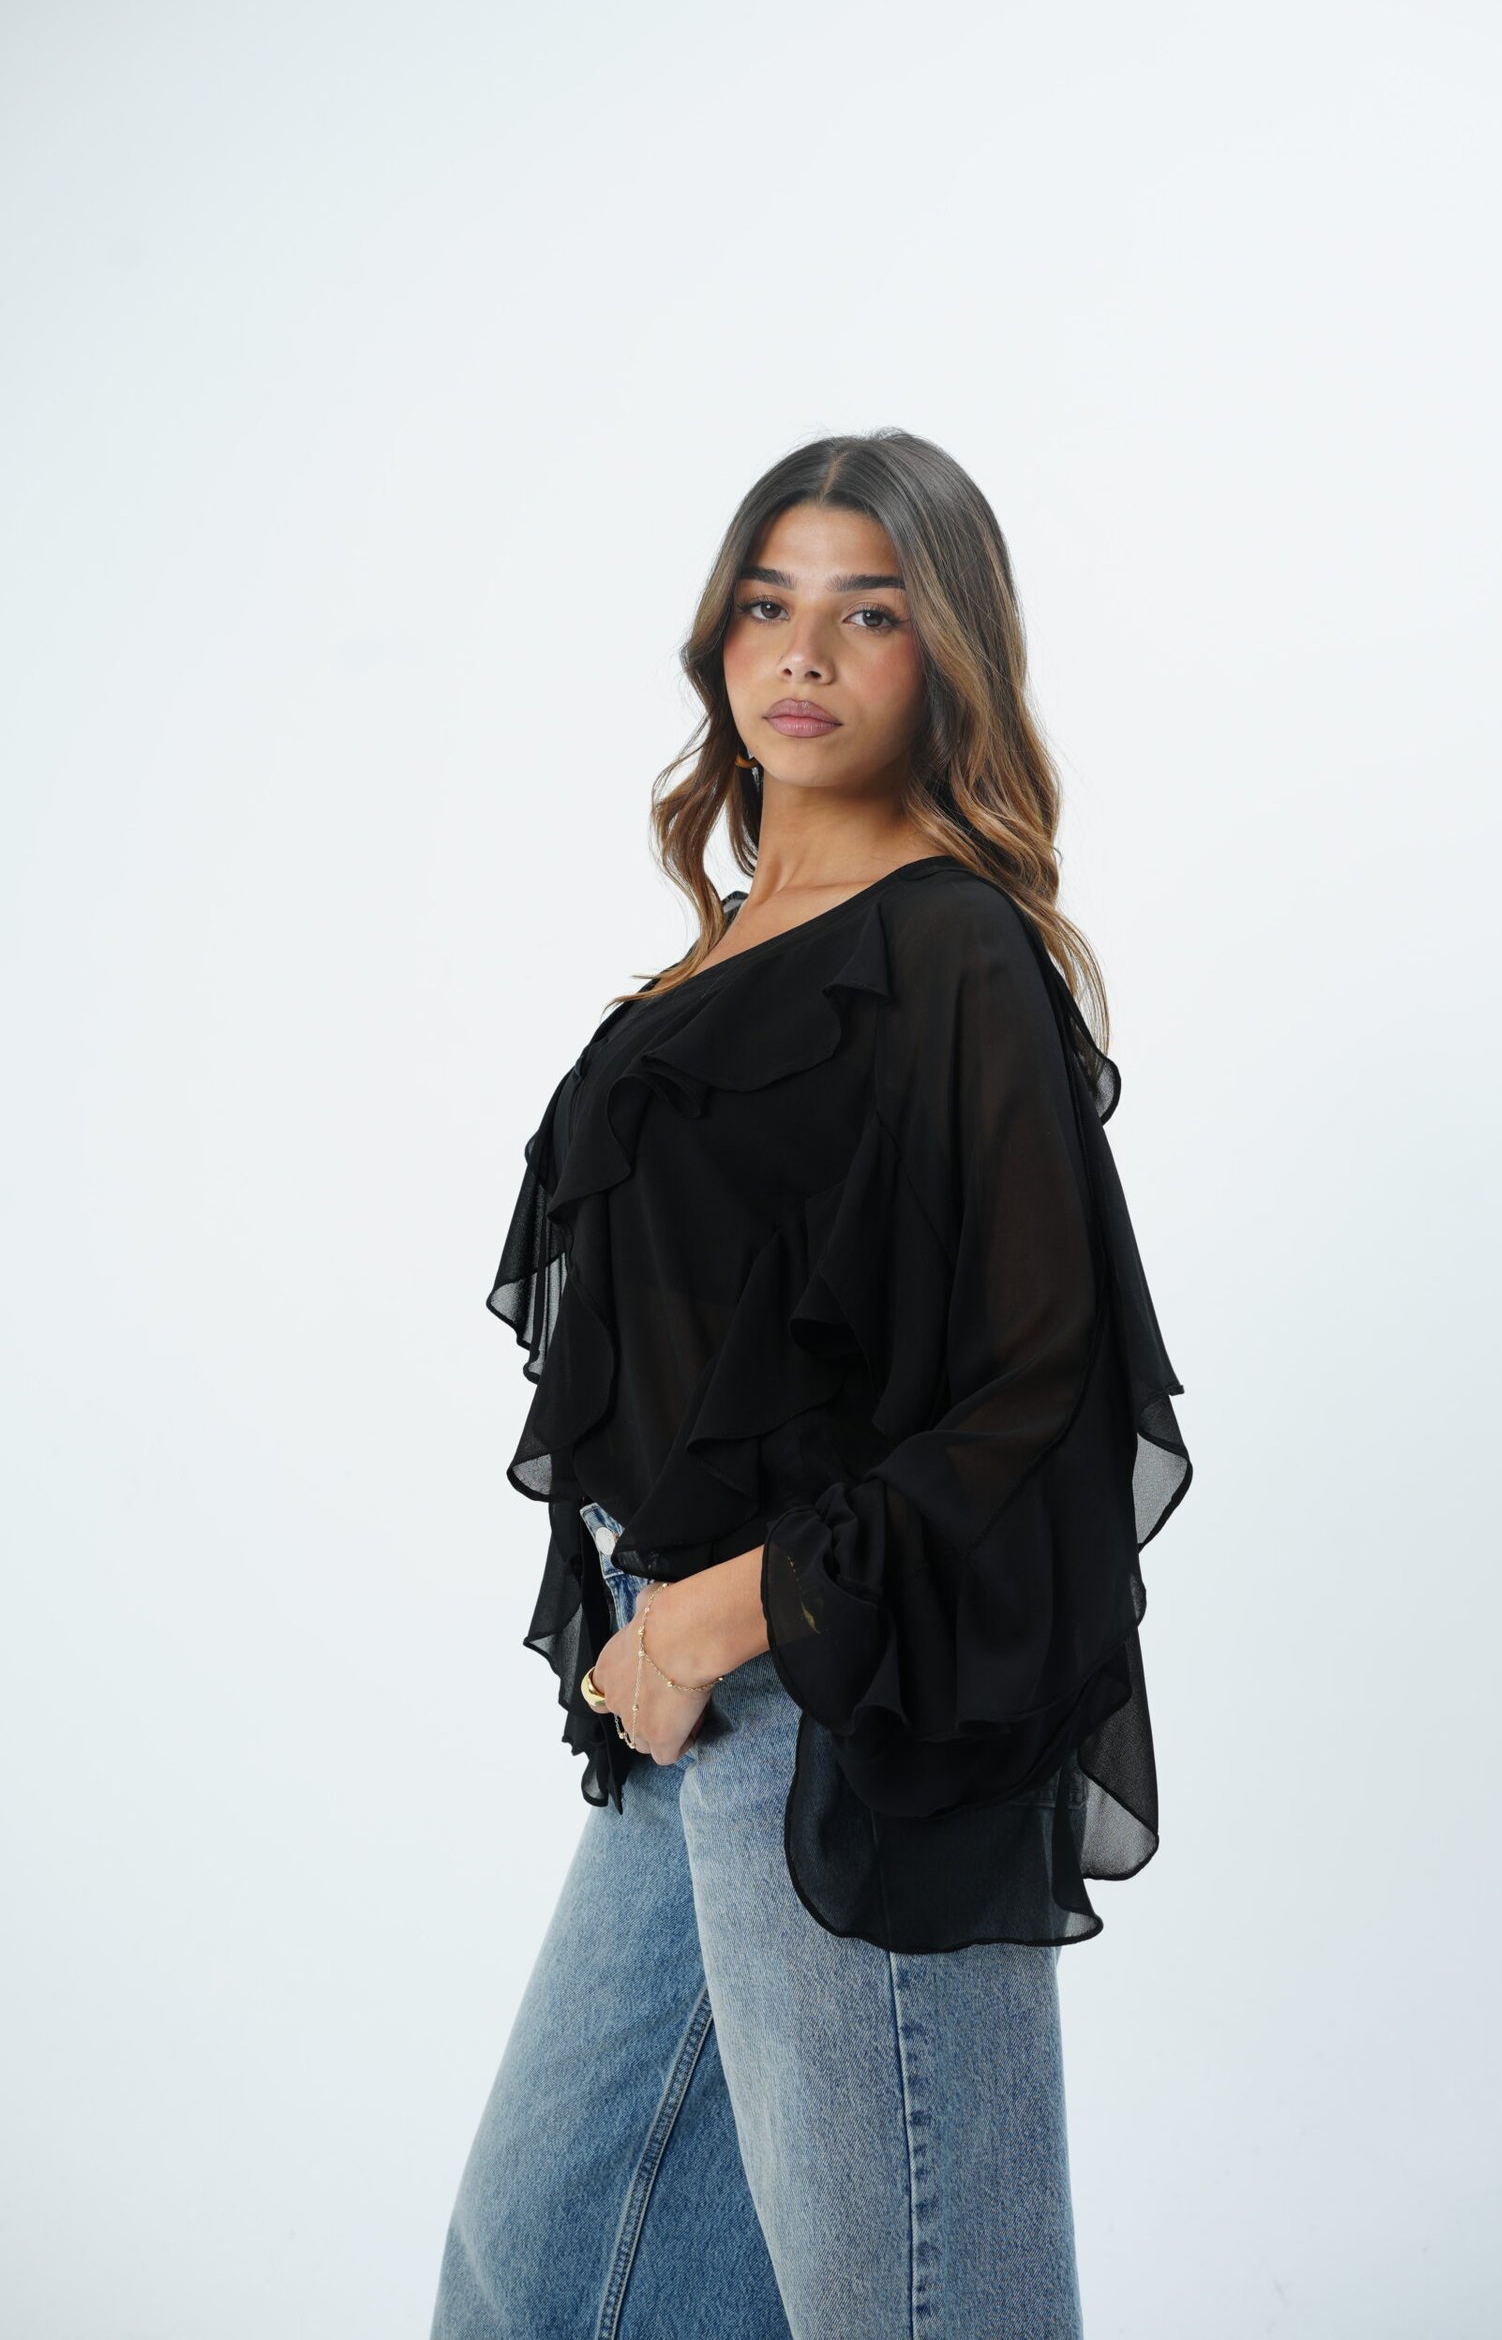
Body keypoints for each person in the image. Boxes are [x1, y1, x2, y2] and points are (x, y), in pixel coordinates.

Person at [429, 429, 1193, 2340]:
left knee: (919, 2306)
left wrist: (714, 1619)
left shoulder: (951, 950)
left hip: (848, 1685)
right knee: (542, 2265)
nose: (806, 652)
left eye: (871, 615)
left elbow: (1038, 1392)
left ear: (949, 657)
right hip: (680, 1675)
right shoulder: (720, 956)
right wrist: (658, 1625)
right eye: (770, 606)